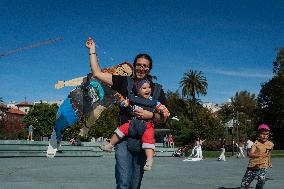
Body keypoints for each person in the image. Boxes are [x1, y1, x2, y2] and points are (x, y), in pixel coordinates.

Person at [86, 37, 169, 189]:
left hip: (143, 139)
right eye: (138, 65)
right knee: (123, 181)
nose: (141, 68)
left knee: (135, 183)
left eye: (145, 66)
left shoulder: (156, 90)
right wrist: (93, 50)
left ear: (149, 69)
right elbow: (97, 73)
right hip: (123, 138)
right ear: (134, 66)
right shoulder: (124, 82)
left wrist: (150, 116)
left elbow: (164, 118)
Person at [100, 79, 169, 171]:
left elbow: (162, 109)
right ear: (138, 91)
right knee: (120, 130)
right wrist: (120, 99)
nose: (147, 90)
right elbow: (123, 104)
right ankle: (110, 145)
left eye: (149, 87)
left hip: (147, 125)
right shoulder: (133, 99)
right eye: (144, 88)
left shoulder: (154, 101)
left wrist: (165, 112)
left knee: (148, 142)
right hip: (133, 122)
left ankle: (149, 160)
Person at [240, 124, 274, 189]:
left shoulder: (271, 144)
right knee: (245, 184)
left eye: (267, 134)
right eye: (262, 134)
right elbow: (250, 154)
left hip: (263, 166)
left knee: (261, 179)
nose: (264, 136)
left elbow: (269, 153)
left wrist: (269, 162)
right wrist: (259, 155)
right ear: (258, 134)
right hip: (252, 166)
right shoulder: (255, 143)